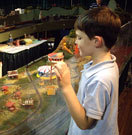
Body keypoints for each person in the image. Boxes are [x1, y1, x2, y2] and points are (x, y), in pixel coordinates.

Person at [54, 7, 121, 135]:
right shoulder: (109, 63)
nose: (75, 42)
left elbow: (84, 123)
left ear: (96, 41)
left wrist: (66, 87)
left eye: (79, 38)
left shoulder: (100, 79)